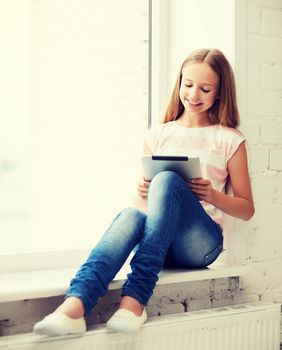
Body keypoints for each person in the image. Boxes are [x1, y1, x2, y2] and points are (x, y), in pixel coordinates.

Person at [33, 48, 255, 336]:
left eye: (205, 88)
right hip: (158, 245)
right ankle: (74, 306)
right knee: (129, 214)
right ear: (179, 84)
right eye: (187, 84)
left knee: (167, 181)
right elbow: (142, 207)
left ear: (220, 93)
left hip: (199, 245)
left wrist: (212, 195)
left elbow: (247, 208)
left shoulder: (229, 139)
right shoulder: (158, 135)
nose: (193, 94)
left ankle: (135, 300)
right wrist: (142, 191)